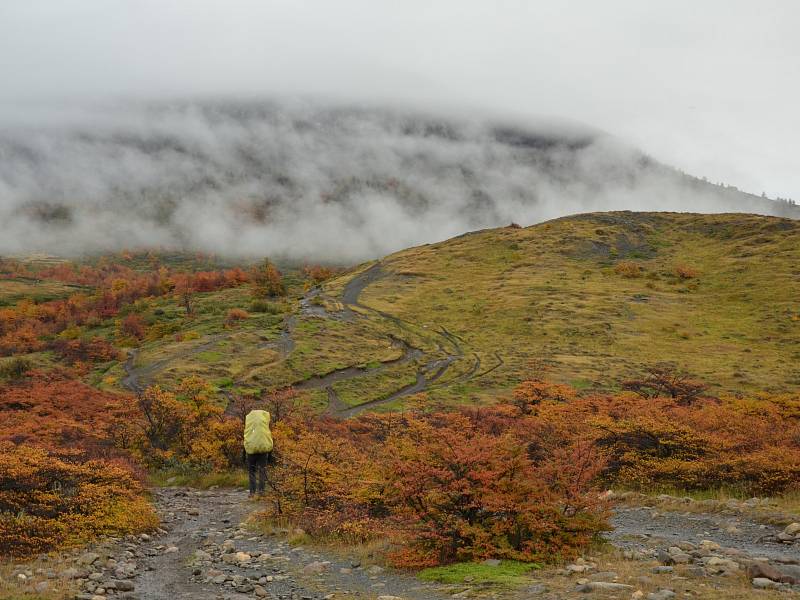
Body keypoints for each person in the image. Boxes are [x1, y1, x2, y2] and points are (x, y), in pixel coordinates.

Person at [243, 409, 273, 496]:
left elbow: (246, 439)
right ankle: (261, 491)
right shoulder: (264, 428)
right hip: (263, 452)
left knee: (252, 471)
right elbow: (269, 440)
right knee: (262, 470)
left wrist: (244, 454)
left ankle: (252, 492)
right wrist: (270, 454)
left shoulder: (249, 426)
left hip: (251, 452)